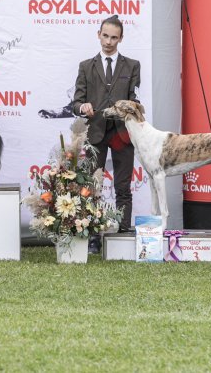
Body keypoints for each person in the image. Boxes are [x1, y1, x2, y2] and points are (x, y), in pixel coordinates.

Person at [71, 15, 140, 252]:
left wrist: (131, 107)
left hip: (122, 134)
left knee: (123, 185)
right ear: (98, 35)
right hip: (96, 132)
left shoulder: (132, 66)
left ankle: (123, 232)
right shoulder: (85, 66)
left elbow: (135, 99)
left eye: (114, 37)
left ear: (121, 39)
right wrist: (83, 107)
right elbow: (76, 103)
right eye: (105, 36)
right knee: (92, 186)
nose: (109, 41)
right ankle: (91, 236)